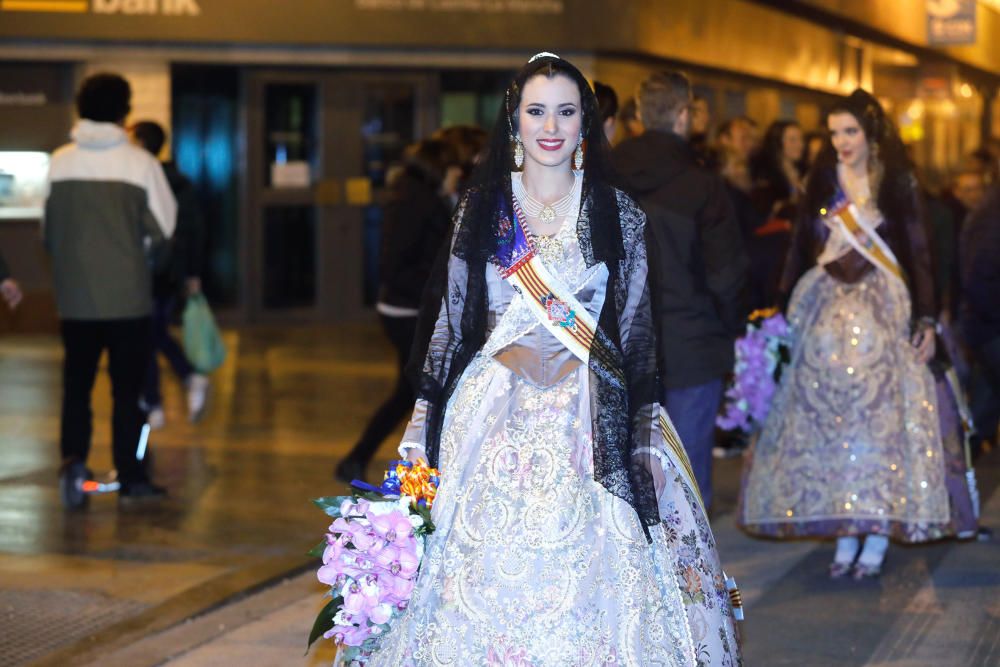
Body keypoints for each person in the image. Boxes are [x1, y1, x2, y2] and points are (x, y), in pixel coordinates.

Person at [365, 54, 741, 666]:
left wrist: (641, 429)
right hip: (493, 415)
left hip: (588, 417)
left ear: (585, 124)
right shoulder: (483, 208)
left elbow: (638, 331)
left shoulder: (617, 213)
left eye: (566, 111)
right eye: (536, 110)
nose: (550, 125)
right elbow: (452, 325)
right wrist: (422, 419)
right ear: (514, 120)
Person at [739, 89, 977, 578]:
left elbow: (920, 253)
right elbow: (800, 245)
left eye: (850, 131)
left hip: (883, 314)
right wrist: (781, 309)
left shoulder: (897, 183)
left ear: (871, 135)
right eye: (833, 133)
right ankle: (846, 525)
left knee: (879, 427)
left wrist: (927, 318)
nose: (841, 141)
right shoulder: (822, 181)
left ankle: (875, 531)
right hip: (823, 315)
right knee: (829, 426)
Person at [613, 71, 749, 507]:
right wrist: (730, 330)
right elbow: (725, 273)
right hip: (692, 340)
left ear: (638, 114)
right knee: (687, 476)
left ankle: (641, 570)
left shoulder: (606, 176)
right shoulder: (702, 184)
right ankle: (691, 571)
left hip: (622, 341)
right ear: (684, 114)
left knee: (627, 471)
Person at [44, 73, 176, 504]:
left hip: (75, 301)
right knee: (128, 391)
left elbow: (48, 232)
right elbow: (164, 228)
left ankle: (73, 466)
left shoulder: (59, 161)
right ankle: (132, 477)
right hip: (128, 300)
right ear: (125, 111)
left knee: (76, 387)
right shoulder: (141, 164)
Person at [335, 138, 459, 484]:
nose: (456, 178)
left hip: (410, 309)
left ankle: (358, 459)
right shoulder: (414, 202)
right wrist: (438, 284)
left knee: (411, 391)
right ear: (439, 169)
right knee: (420, 393)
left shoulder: (418, 195)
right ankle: (407, 474)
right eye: (453, 171)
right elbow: (395, 265)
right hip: (407, 312)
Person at [131, 120, 210, 429]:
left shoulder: (148, 179)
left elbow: (190, 230)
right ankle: (172, 389)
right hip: (169, 273)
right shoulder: (178, 181)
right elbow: (195, 231)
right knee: (154, 333)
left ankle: (157, 400)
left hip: (154, 271)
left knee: (149, 335)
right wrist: (191, 272)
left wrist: (192, 272)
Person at [747, 120, 806, 310]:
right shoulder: (766, 176)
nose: (799, 145)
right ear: (778, 143)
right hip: (772, 253)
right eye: (792, 140)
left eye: (800, 139)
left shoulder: (799, 173)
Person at [961, 183, 1000, 454]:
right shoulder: (992, 215)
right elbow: (979, 276)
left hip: (986, 326)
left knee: (984, 405)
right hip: (990, 327)